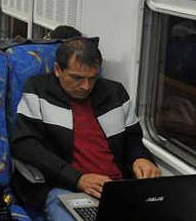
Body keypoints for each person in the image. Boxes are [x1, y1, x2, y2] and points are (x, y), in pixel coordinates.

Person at [10, 38, 160, 219]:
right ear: (58, 70)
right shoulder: (38, 90)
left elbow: (132, 139)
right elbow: (25, 145)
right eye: (77, 77)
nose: (86, 86)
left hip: (115, 186)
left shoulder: (115, 93)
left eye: (92, 78)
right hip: (64, 187)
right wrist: (77, 179)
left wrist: (141, 158)